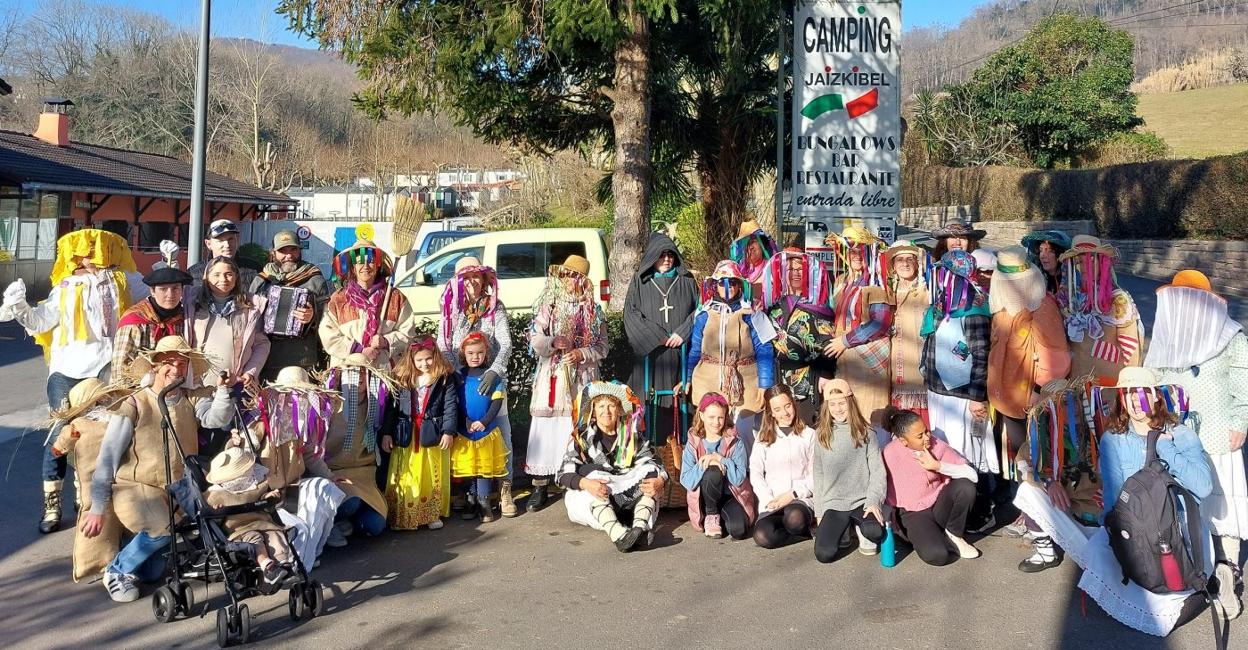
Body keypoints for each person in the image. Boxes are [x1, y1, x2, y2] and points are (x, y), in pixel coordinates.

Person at [1015, 367, 1213, 636]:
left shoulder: (1181, 434)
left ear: (1156, 396)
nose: (1134, 400)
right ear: (1121, 398)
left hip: (1175, 527)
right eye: (1128, 393)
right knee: (1097, 554)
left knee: (1170, 579)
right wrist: (1118, 534)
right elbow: (1113, 494)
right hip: (1136, 525)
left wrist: (1167, 447)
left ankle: (1188, 595)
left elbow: (1203, 487)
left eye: (1142, 392)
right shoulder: (1113, 440)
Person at [0, 228, 144, 533]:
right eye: (84, 252)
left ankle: (86, 495)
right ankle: (52, 506)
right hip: (67, 372)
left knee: (103, 435)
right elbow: (41, 321)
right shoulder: (64, 287)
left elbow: (155, 297)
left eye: (97, 250)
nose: (91, 257)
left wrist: (167, 266)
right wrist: (19, 305)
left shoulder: (123, 282)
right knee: (60, 436)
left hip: (107, 369)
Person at [81, 336, 233, 603]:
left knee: (153, 571)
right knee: (164, 530)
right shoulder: (135, 403)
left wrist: (222, 391)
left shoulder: (191, 398)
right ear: (154, 365)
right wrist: (97, 508)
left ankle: (137, 550)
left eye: (182, 363)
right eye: (168, 362)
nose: (175, 368)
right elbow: (107, 458)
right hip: (136, 489)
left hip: (179, 489)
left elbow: (216, 418)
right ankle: (117, 570)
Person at [1145, 270, 1248, 620]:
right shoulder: (1167, 336)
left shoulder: (1231, 337)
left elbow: (1244, 381)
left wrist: (1240, 421)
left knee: (1223, 506)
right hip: (1177, 439)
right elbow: (1151, 380)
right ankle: (1196, 568)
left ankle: (1227, 568)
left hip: (1218, 435)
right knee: (1185, 506)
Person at [987, 247, 1071, 526]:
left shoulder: (1042, 306)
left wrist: (1039, 388)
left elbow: (1057, 355)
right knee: (1018, 455)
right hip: (1007, 394)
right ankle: (1024, 509)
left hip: (1034, 395)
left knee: (1039, 455)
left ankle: (1042, 518)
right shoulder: (1001, 307)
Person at [525, 254, 608, 511]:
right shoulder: (548, 306)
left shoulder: (593, 311)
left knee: (575, 429)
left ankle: (571, 481)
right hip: (552, 377)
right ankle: (539, 485)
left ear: (584, 281)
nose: (569, 280)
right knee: (546, 428)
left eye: (575, 276)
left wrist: (581, 353)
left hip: (580, 379)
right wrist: (552, 343)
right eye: (566, 275)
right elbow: (535, 338)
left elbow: (602, 347)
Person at [438, 256, 517, 516]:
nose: (471, 282)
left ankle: (504, 490)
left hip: (490, 381)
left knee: (500, 432)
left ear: (484, 279)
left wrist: (494, 371)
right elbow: (444, 344)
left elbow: (505, 343)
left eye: (476, 276)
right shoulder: (451, 309)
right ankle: (469, 493)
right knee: (465, 435)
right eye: (466, 277)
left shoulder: (496, 307)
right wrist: (455, 372)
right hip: (462, 381)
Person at [249, 366, 347, 570]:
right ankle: (296, 560)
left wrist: (329, 476)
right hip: (266, 494)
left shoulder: (302, 423)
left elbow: (310, 454)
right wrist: (238, 440)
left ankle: (310, 553)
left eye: (301, 394)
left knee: (325, 489)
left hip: (293, 487)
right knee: (299, 526)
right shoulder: (262, 422)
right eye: (289, 393)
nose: (295, 399)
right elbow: (242, 458)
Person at [557, 382, 668, 552]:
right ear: (593, 411)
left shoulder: (631, 436)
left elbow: (655, 462)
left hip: (630, 501)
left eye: (611, 405)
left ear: (619, 409)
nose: (606, 411)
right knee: (591, 476)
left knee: (650, 475)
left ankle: (638, 529)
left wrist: (659, 480)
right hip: (601, 500)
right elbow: (564, 473)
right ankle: (620, 536)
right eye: (601, 406)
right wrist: (587, 484)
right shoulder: (582, 438)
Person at [921, 251, 995, 484]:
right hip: (938, 389)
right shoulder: (945, 302)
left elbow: (981, 354)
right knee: (943, 446)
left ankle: (971, 498)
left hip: (960, 394)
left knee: (962, 451)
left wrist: (976, 397)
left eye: (943, 272)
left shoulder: (974, 307)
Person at [47, 378, 131, 581]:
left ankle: (98, 560)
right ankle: (123, 555)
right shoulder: (118, 417)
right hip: (122, 476)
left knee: (96, 520)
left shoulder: (77, 425)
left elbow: (58, 449)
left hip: (91, 481)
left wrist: (60, 447)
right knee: (124, 518)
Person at [190, 255, 270, 454]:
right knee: (202, 438)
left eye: (228, 274)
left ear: (236, 277)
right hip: (200, 386)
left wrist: (251, 372)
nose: (223, 279)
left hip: (235, 386)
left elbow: (262, 344)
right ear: (206, 277)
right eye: (216, 274)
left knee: (230, 440)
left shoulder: (249, 308)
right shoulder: (192, 304)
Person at [624, 232, 700, 441]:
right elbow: (631, 314)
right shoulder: (640, 281)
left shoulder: (686, 280)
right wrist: (656, 336)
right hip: (652, 357)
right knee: (649, 405)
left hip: (679, 356)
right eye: (662, 254)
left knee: (681, 404)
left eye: (671, 254)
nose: (667, 259)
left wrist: (682, 333)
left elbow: (700, 311)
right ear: (652, 256)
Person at [881, 406, 980, 566]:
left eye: (926, 431)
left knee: (965, 486)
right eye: (920, 436)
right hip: (913, 513)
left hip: (939, 504)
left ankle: (954, 533)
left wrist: (937, 466)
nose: (927, 437)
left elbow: (972, 475)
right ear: (903, 441)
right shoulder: (890, 453)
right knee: (938, 556)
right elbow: (884, 490)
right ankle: (929, 537)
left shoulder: (935, 444)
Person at [382, 338, 458, 531]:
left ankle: (431, 513)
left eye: (428, 359)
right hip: (406, 434)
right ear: (411, 361)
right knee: (406, 474)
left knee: (430, 475)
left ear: (435, 356)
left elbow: (450, 407)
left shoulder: (443, 378)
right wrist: (387, 433)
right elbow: (392, 409)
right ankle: (404, 514)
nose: (425, 364)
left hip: (431, 433)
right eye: (419, 360)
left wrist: (448, 431)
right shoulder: (402, 378)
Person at [323, 352, 397, 543]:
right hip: (336, 472)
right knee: (351, 503)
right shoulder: (329, 403)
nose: (360, 377)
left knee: (375, 526)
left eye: (364, 372)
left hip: (365, 474)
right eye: (353, 372)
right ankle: (330, 522)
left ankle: (349, 521)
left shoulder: (378, 403)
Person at [812, 379, 888, 563]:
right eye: (833, 404)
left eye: (842, 403)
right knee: (824, 554)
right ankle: (844, 530)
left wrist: (873, 502)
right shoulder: (821, 434)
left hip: (862, 501)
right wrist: (820, 512)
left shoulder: (866, 432)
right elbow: (818, 474)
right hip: (834, 503)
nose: (838, 409)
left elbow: (877, 471)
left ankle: (861, 529)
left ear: (850, 402)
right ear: (826, 406)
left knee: (875, 533)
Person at [827, 227, 893, 426]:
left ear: (869, 252)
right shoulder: (841, 281)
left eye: (860, 250)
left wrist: (845, 340)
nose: (856, 255)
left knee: (869, 413)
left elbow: (880, 324)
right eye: (851, 250)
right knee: (847, 414)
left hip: (867, 362)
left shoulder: (877, 282)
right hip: (844, 358)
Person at [760, 249, 835, 423]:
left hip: (809, 379)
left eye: (800, 269)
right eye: (790, 269)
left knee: (806, 427)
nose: (795, 273)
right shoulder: (774, 305)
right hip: (779, 377)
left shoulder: (818, 305)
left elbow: (828, 343)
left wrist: (825, 373)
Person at [204, 448, 296, 588]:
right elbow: (210, 520)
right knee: (255, 539)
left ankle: (284, 564)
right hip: (238, 529)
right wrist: (216, 512)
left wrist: (268, 498)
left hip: (262, 522)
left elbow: (262, 499)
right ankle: (268, 567)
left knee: (276, 535)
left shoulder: (255, 483)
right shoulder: (215, 496)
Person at [1057, 236, 1143, 381]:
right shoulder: (1067, 300)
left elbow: (1131, 348)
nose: (1084, 267)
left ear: (1101, 262)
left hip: (1109, 386)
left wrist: (1130, 385)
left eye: (1090, 260)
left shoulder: (1117, 300)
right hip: (1076, 384)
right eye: (1079, 261)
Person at [249, 230, 331, 382]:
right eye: (282, 251)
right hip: (268, 358)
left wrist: (313, 317)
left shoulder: (315, 279)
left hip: (303, 358)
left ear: (300, 250)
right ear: (273, 253)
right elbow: (248, 319)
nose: (289, 255)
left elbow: (329, 321)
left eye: (293, 249)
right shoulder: (261, 281)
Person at [319, 239, 415, 369]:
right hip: (348, 370)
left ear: (378, 265)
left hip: (385, 371)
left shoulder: (395, 297)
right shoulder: (338, 299)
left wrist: (386, 341)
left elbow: (408, 334)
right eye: (359, 263)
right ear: (353, 267)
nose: (365, 267)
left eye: (370, 261)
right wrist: (359, 350)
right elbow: (328, 335)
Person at [680, 392, 756, 540]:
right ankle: (711, 514)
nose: (716, 422)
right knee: (713, 472)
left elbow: (739, 478)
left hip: (731, 494)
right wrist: (706, 462)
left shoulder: (735, 441)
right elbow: (686, 480)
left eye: (720, 417)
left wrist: (721, 459)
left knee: (739, 530)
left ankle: (722, 516)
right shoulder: (693, 443)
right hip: (705, 499)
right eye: (711, 417)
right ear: (701, 415)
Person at [750, 385, 817, 549]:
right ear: (771, 412)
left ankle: (801, 527)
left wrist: (794, 493)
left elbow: (816, 473)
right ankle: (802, 535)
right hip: (773, 501)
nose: (785, 413)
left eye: (787, 406)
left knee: (795, 520)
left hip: (799, 500)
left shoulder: (809, 435)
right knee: (762, 536)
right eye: (777, 409)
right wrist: (767, 499)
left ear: (794, 404)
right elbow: (756, 472)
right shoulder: (763, 437)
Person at [452, 333, 508, 523]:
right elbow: (456, 402)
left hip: (486, 431)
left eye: (480, 353)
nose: (475, 357)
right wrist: (466, 422)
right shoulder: (459, 376)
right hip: (465, 432)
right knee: (468, 468)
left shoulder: (493, 377)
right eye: (471, 353)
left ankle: (484, 502)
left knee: (484, 468)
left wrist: (484, 421)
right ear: (464, 354)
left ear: (486, 353)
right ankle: (471, 499)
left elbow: (496, 402)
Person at [111, 266, 195, 373]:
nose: (170, 295)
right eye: (163, 289)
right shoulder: (134, 321)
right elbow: (120, 367)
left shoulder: (185, 319)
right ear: (152, 291)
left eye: (175, 288)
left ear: (182, 291)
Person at [884, 240, 931, 423]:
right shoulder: (887, 291)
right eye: (900, 259)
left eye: (910, 259)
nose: (905, 263)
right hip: (896, 361)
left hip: (922, 362)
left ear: (917, 264)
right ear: (893, 266)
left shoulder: (927, 289)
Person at [187, 219, 257, 292]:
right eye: (220, 240)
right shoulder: (193, 273)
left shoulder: (254, 269)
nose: (227, 245)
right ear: (208, 244)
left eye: (231, 239)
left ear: (237, 240)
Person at [728, 219, 778, 302]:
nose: (750, 247)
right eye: (747, 243)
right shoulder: (736, 271)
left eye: (754, 241)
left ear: (762, 245)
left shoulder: (772, 269)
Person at [1021, 230, 1071, 296]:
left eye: (1049, 251)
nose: (1042, 256)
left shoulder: (1072, 277)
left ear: (1060, 254)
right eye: (1041, 250)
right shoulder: (1034, 276)